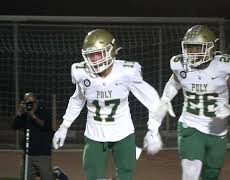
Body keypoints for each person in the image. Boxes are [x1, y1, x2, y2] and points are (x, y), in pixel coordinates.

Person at [52, 29, 163, 180]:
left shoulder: (127, 71)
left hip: (123, 133)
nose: (95, 59)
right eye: (91, 55)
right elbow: (78, 99)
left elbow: (152, 99)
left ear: (111, 51)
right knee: (93, 176)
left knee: (125, 175)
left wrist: (153, 130)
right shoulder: (81, 72)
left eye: (99, 54)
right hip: (94, 135)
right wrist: (64, 126)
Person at [153, 25, 230, 180]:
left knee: (211, 174)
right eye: (189, 48)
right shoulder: (181, 65)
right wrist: (166, 98)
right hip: (190, 124)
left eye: (197, 48)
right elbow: (174, 82)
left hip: (217, 129)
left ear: (211, 48)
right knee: (190, 172)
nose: (192, 53)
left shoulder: (223, 66)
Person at [12, 92, 69, 180]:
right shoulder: (24, 114)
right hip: (28, 154)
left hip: (42, 153)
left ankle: (56, 173)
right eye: (27, 102)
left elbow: (44, 125)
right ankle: (53, 172)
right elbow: (15, 126)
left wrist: (32, 115)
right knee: (25, 177)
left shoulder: (43, 111)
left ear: (36, 102)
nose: (30, 105)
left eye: (32, 102)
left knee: (47, 178)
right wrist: (20, 113)